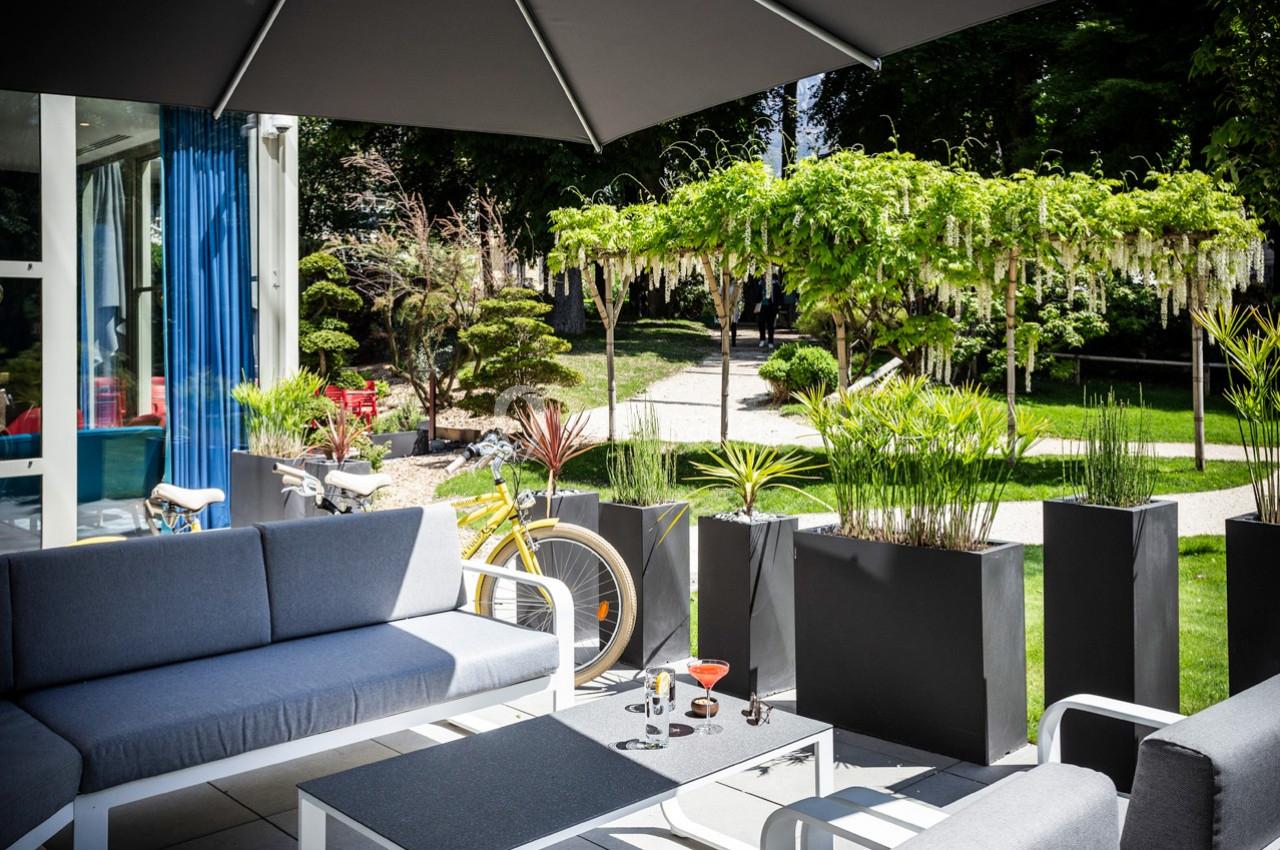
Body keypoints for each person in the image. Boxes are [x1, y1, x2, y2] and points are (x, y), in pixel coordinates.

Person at [757, 272, 783, 348]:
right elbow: (757, 295)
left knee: (770, 325)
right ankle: (762, 339)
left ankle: (770, 341)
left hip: (771, 307)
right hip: (762, 307)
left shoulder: (775, 285)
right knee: (761, 324)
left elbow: (779, 296)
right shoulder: (761, 284)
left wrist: (778, 306)